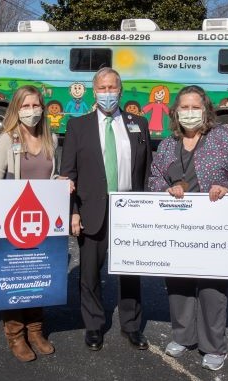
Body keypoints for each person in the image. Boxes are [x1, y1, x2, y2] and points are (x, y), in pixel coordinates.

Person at [147, 85, 228, 371]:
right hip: (177, 227)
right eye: (184, 107)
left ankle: (214, 346)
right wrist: (167, 188)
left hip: (213, 227)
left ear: (206, 110)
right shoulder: (169, 142)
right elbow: (155, 176)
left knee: (212, 288)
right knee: (178, 283)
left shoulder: (222, 138)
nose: (190, 113)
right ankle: (183, 336)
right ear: (176, 112)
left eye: (196, 107)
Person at [0, 85, 67, 362]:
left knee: (38, 277)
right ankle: (15, 335)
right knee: (13, 280)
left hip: (42, 223)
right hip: (11, 221)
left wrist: (58, 182)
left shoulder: (51, 140)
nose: (31, 111)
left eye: (36, 105)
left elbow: (50, 177)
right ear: (16, 110)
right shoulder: (6, 140)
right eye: (25, 106)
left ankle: (36, 330)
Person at [60, 67, 152, 352]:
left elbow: (147, 169)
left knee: (130, 272)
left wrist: (149, 208)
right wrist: (72, 211)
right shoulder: (78, 126)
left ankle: (132, 325)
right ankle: (94, 325)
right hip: (91, 209)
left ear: (120, 91)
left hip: (130, 210)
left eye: (113, 87)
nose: (108, 92)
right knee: (89, 273)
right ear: (94, 91)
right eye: (102, 87)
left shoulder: (138, 123)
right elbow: (68, 175)